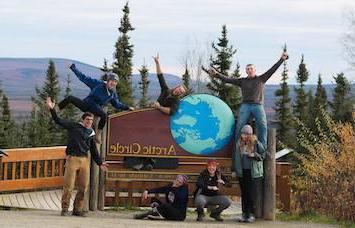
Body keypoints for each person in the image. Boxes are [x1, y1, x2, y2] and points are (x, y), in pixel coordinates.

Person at [208, 51, 289, 146]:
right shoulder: (242, 81)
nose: (249, 70)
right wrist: (217, 74)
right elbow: (228, 79)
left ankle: (262, 147)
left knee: (262, 126)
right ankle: (237, 147)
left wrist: (282, 59)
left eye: (251, 69)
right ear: (246, 71)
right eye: (248, 69)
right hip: (245, 106)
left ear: (255, 70)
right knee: (239, 126)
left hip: (258, 105)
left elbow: (273, 69)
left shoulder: (261, 79)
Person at [45, 97, 109, 217]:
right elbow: (58, 120)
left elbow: (94, 150)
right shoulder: (73, 126)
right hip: (72, 159)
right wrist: (52, 109)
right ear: (82, 119)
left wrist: (100, 163)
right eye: (88, 119)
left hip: (85, 160)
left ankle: (77, 209)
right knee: (68, 186)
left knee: (83, 186)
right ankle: (65, 208)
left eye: (91, 120)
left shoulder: (91, 133)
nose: (90, 122)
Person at [124, 54, 187, 171]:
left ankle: (149, 163)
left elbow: (171, 112)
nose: (178, 91)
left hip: (161, 124)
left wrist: (159, 107)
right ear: (177, 87)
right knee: (140, 138)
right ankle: (138, 162)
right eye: (179, 89)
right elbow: (160, 77)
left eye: (181, 92)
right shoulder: (166, 91)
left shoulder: (176, 101)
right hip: (150, 119)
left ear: (181, 94)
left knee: (153, 142)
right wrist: (157, 63)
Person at [58, 63, 134, 143]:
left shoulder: (112, 94)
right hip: (86, 104)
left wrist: (127, 107)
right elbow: (83, 78)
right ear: (108, 81)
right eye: (112, 81)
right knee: (70, 98)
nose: (113, 83)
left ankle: (98, 135)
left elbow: (117, 104)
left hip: (95, 109)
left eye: (115, 82)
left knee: (104, 116)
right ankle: (56, 108)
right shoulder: (98, 84)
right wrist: (73, 68)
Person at [232, 124, 266, 223]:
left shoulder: (256, 143)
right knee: (244, 193)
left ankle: (251, 214)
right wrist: (234, 169)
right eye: (242, 133)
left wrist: (254, 155)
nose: (243, 135)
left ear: (249, 134)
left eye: (245, 134)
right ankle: (244, 214)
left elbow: (263, 155)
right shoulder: (239, 143)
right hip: (242, 172)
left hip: (252, 172)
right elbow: (235, 157)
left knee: (250, 194)